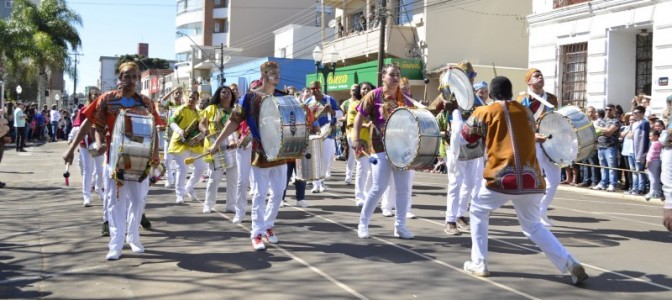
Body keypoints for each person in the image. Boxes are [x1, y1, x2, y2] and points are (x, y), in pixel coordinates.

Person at [460, 76, 588, 285]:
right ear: (510, 93)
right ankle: (569, 262)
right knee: (533, 226)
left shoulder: (484, 111)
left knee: (477, 211)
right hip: (531, 178)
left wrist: (462, 116)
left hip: (501, 177)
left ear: (491, 94)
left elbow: (465, 137)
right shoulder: (526, 112)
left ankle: (479, 262)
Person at [84, 62, 162, 260]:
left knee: (138, 200)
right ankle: (116, 243)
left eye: (135, 76)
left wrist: (155, 154)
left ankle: (133, 237)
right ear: (120, 78)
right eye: (127, 76)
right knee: (115, 201)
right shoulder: (107, 100)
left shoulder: (145, 102)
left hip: (140, 159)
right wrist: (100, 144)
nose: (131, 80)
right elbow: (98, 127)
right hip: (115, 158)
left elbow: (153, 130)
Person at [208, 61, 288, 251]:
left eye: (278, 72)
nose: (277, 75)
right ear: (264, 74)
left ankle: (268, 225)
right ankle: (256, 233)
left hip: (281, 152)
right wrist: (218, 142)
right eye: (272, 72)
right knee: (260, 194)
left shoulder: (283, 97)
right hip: (260, 151)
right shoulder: (248, 98)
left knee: (278, 194)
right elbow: (233, 122)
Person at [352, 63, 415, 240]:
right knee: (378, 187)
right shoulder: (374, 95)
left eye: (398, 74)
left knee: (402, 190)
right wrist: (356, 139)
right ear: (383, 77)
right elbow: (359, 118)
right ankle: (363, 224)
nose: (395, 78)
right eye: (392, 75)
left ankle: (400, 227)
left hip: (402, 149)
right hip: (380, 148)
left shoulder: (405, 97)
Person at [441, 62, 484, 235]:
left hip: (472, 147)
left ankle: (460, 216)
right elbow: (434, 112)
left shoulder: (477, 98)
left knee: (470, 183)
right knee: (455, 184)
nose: (472, 79)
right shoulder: (448, 96)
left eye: (473, 75)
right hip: (455, 147)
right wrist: (447, 106)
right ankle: (449, 220)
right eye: (469, 76)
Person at [517, 68, 561, 227]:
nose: (540, 77)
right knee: (536, 180)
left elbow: (557, 118)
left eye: (541, 75)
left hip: (551, 142)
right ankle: (533, 214)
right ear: (528, 81)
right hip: (533, 142)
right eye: (536, 75)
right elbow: (519, 122)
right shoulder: (523, 99)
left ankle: (541, 211)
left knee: (555, 180)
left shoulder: (552, 99)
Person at [200, 86, 238, 214]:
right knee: (214, 178)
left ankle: (231, 205)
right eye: (223, 92)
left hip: (233, 146)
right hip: (215, 146)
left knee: (233, 179)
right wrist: (205, 130)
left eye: (229, 92)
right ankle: (208, 204)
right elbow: (201, 123)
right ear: (219, 94)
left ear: (232, 95)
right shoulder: (211, 108)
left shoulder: (236, 110)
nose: (226, 93)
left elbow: (238, 128)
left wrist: (235, 140)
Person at [168, 90, 207, 204]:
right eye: (190, 97)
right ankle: (179, 194)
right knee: (183, 168)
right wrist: (179, 130)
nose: (191, 100)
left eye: (194, 98)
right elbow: (171, 122)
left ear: (197, 99)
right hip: (181, 143)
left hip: (195, 144)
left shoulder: (199, 113)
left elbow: (202, 126)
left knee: (201, 167)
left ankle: (189, 187)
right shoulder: (181, 109)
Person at [305, 81, 342, 193]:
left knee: (326, 159)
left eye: (317, 88)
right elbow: (304, 117)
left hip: (328, 134)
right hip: (313, 134)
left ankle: (322, 181)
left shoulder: (329, 99)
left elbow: (341, 114)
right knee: (315, 160)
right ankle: (316, 184)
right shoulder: (308, 102)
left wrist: (331, 110)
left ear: (320, 88)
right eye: (312, 88)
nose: (315, 90)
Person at [348, 82, 374, 207]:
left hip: (373, 142)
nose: (366, 91)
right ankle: (359, 196)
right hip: (360, 140)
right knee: (362, 168)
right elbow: (351, 123)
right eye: (364, 89)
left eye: (368, 89)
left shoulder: (374, 105)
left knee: (373, 171)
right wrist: (366, 125)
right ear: (359, 91)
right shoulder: (354, 105)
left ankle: (368, 194)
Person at [592, 104, 621, 192]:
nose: (608, 111)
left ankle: (613, 184)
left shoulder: (616, 121)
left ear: (614, 111)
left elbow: (609, 132)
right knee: (603, 166)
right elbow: (595, 131)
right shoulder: (602, 120)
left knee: (612, 166)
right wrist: (603, 130)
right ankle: (603, 183)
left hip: (610, 147)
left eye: (610, 110)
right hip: (601, 146)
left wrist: (599, 129)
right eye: (606, 109)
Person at [159, 87, 184, 188]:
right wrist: (172, 90)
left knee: (180, 160)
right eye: (176, 93)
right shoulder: (170, 105)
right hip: (168, 135)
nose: (178, 95)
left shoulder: (184, 106)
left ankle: (178, 180)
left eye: (180, 93)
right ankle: (169, 179)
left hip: (179, 136)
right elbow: (162, 101)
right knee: (166, 159)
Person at [339, 84, 360, 185]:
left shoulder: (363, 101)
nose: (355, 91)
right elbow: (340, 117)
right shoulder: (346, 103)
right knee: (352, 154)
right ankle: (349, 175)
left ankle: (360, 176)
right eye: (353, 89)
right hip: (350, 131)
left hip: (363, 131)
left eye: (357, 89)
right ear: (350, 91)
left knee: (360, 156)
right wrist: (347, 118)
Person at [631, 105, 650, 195]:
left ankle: (641, 188)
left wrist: (642, 153)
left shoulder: (645, 123)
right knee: (635, 171)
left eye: (636, 113)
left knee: (640, 170)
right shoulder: (634, 124)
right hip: (633, 150)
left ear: (642, 113)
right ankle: (635, 187)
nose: (634, 115)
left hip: (640, 151)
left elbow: (643, 139)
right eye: (633, 113)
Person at [645, 130, 663, 200]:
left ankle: (652, 192)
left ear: (656, 136)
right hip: (657, 161)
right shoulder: (659, 143)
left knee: (652, 178)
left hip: (652, 161)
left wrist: (647, 162)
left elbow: (651, 154)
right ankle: (656, 192)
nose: (649, 138)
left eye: (651, 136)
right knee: (656, 178)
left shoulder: (654, 143)